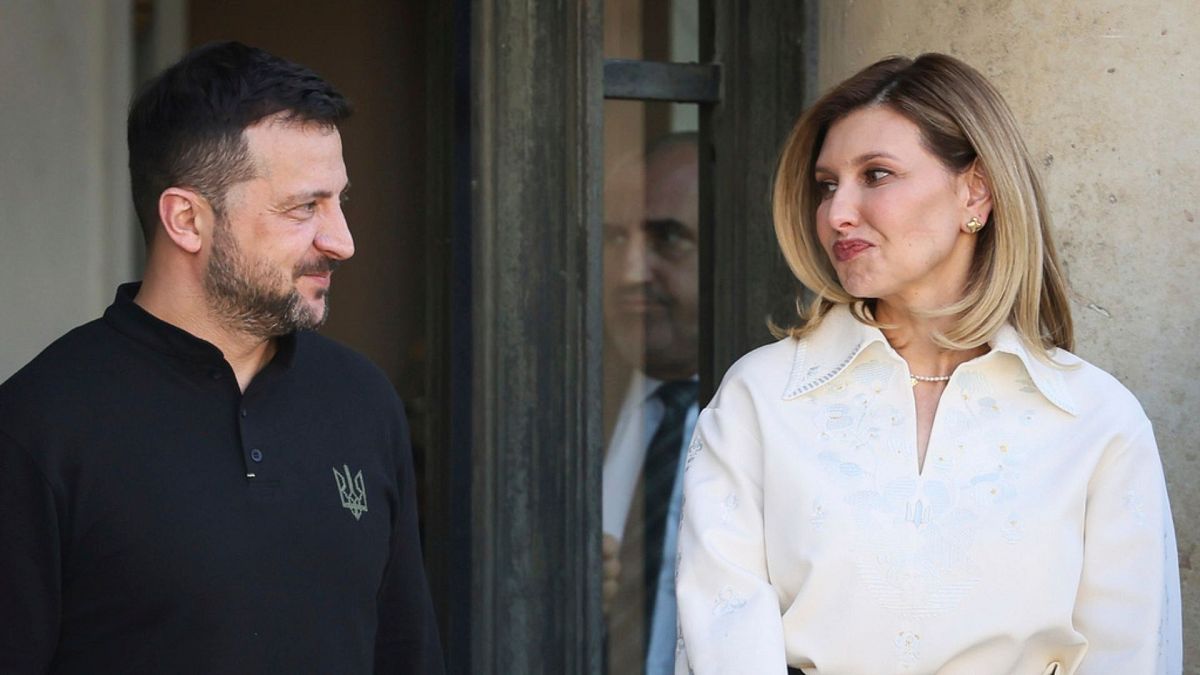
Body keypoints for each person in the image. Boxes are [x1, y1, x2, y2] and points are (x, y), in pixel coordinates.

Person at [674, 54, 1182, 674]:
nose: (838, 213)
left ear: (976, 191)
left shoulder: (1095, 419)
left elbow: (1128, 654)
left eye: (877, 175)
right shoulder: (760, 398)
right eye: (828, 185)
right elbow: (722, 639)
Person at [0, 42, 444, 674]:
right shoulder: (37, 428)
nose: (342, 240)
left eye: (340, 201)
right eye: (303, 207)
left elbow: (407, 653)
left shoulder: (362, 400)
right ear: (187, 219)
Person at [602, 133, 700, 675]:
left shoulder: (782, 417)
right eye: (615, 238)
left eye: (667, 238)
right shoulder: (560, 407)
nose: (631, 270)